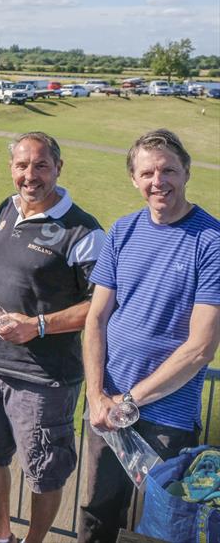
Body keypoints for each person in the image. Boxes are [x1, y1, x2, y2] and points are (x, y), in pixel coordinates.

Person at [0, 132, 105, 543]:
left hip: (45, 379)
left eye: (40, 165)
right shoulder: (6, 207)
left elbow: (99, 306)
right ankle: (0, 534)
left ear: (59, 168)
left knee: (44, 470)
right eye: (22, 165)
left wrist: (38, 326)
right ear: (11, 168)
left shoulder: (84, 230)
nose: (30, 175)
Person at [79, 129, 220, 542]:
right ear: (134, 179)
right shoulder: (123, 231)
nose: (158, 181)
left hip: (166, 420)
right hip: (107, 413)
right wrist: (96, 398)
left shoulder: (211, 242)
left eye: (168, 170)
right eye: (147, 173)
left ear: (187, 172)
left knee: (167, 526)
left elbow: (200, 348)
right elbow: (96, 320)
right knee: (97, 515)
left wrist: (129, 401)